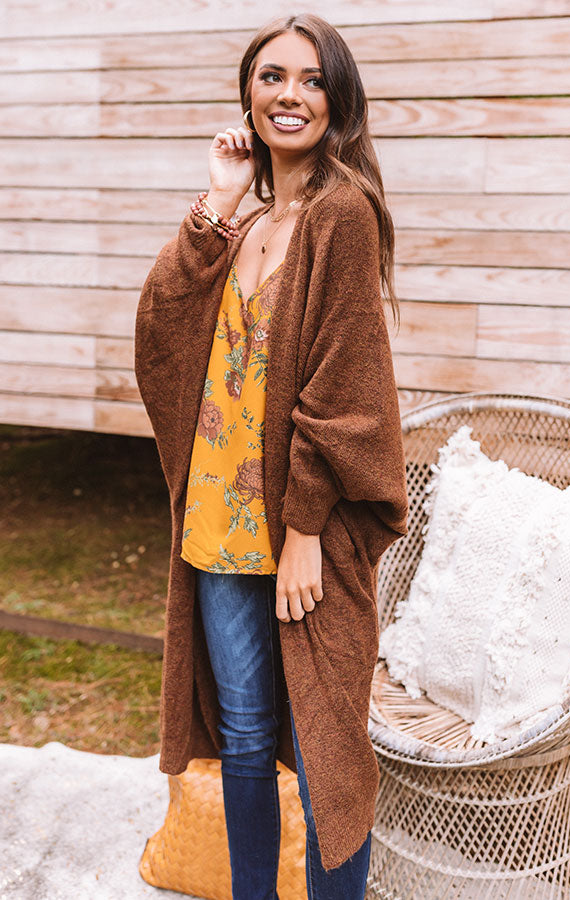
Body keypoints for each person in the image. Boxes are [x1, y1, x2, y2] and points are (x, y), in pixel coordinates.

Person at [135, 12, 408, 900]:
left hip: (303, 534)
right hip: (217, 524)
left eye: (313, 79)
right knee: (248, 739)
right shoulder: (246, 222)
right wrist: (217, 201)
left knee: (327, 751)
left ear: (339, 101)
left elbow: (345, 389)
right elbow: (162, 331)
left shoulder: (343, 215)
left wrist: (303, 533)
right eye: (272, 77)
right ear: (248, 96)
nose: (291, 94)